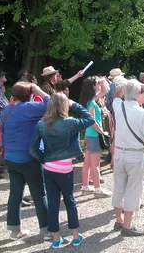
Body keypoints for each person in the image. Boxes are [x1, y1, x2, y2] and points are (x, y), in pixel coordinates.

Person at [30, 93, 95, 248]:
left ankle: (56, 238)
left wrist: (43, 159)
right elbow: (90, 119)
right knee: (69, 201)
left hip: (49, 168)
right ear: (64, 106)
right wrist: (75, 105)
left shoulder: (41, 124)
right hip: (65, 168)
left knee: (53, 203)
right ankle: (75, 236)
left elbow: (32, 149)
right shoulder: (70, 122)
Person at [1, 82, 51, 240]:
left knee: (15, 194)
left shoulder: (7, 110)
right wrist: (39, 90)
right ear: (29, 95)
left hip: (10, 157)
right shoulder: (28, 107)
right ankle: (47, 231)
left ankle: (15, 231)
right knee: (39, 194)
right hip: (28, 158)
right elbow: (52, 104)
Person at [112, 79, 144, 236]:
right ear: (138, 94)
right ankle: (127, 225)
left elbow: (116, 95)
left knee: (118, 187)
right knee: (133, 189)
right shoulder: (143, 113)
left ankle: (119, 220)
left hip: (119, 152)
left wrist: (125, 86)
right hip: (135, 154)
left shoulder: (118, 106)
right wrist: (138, 83)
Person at [79, 76, 111, 198]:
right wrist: (103, 133)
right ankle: (98, 190)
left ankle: (85, 187)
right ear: (92, 86)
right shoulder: (92, 102)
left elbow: (105, 91)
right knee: (95, 165)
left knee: (87, 163)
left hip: (89, 136)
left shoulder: (89, 100)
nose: (99, 86)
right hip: (93, 136)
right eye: (97, 84)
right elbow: (92, 122)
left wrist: (101, 81)